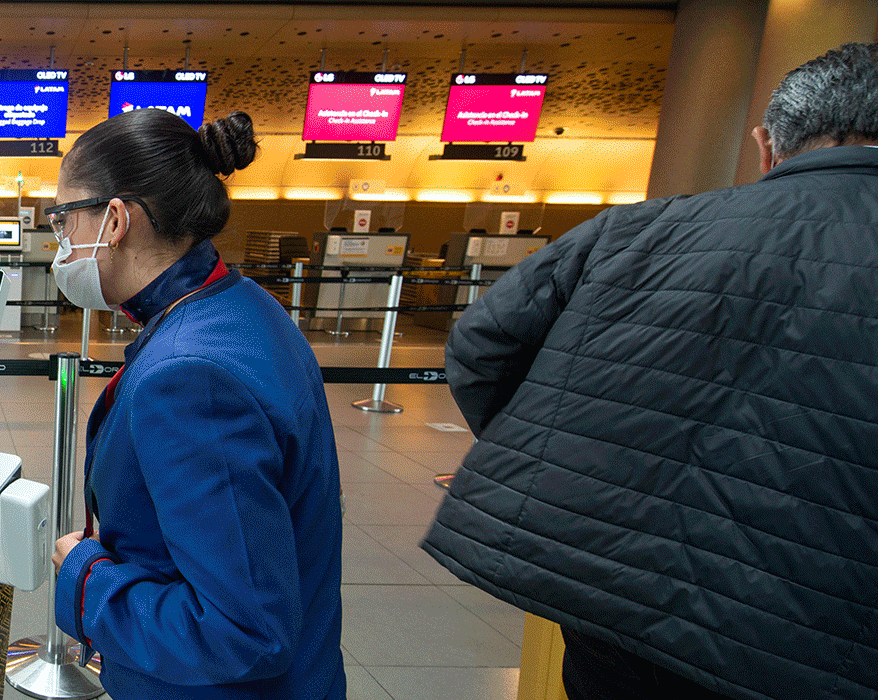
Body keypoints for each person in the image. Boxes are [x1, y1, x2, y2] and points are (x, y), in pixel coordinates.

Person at [421, 42, 878, 700]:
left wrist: (561, 451)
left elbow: (482, 344)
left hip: (618, 602)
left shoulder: (637, 230)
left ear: (765, 146)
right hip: (821, 636)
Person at [48, 108, 346, 699]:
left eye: (63, 219)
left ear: (113, 220)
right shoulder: (242, 307)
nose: (60, 244)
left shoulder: (188, 377)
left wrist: (85, 578)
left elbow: (241, 632)